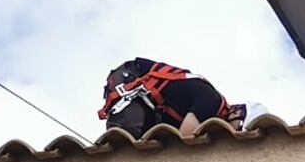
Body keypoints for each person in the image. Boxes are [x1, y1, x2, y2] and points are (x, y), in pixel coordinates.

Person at [97, 58, 248, 139]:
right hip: (132, 80)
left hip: (138, 97)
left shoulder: (208, 112)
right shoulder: (213, 103)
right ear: (238, 113)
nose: (234, 132)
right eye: (239, 127)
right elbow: (186, 140)